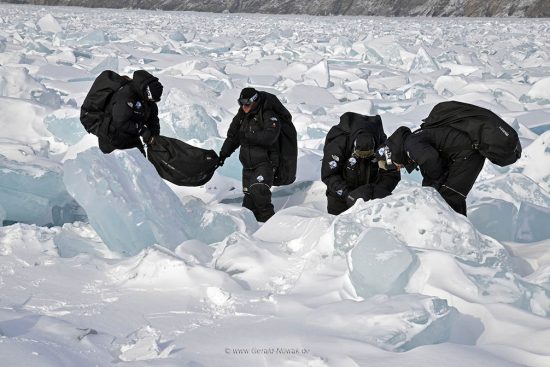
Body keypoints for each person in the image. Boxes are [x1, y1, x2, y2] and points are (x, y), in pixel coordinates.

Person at [385, 126, 485, 216]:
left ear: (396, 156)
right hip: (464, 154)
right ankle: (461, 228)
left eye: (396, 165)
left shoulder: (412, 145)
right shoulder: (414, 142)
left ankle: (457, 230)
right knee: (450, 195)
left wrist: (434, 189)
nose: (399, 168)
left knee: (448, 195)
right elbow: (429, 172)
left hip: (468, 154)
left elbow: (430, 162)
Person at [218, 87, 284, 222]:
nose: (244, 106)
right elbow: (233, 137)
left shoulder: (268, 114)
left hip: (265, 163)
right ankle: (252, 236)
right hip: (248, 166)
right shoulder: (241, 116)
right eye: (241, 103)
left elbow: (270, 136)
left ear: (254, 101)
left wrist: (248, 136)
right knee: (249, 203)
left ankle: (272, 228)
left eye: (247, 103)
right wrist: (222, 155)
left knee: (259, 191)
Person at [321, 112, 401, 215]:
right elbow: (329, 175)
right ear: (354, 147)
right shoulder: (338, 145)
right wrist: (348, 194)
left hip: (370, 200)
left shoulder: (382, 146)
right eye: (360, 154)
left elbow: (391, 173)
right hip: (340, 199)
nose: (363, 157)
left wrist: (376, 192)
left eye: (368, 155)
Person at [98, 70, 163, 155]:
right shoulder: (126, 96)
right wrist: (142, 130)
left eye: (154, 100)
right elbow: (120, 122)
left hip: (130, 135)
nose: (152, 101)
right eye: (151, 99)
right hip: (112, 138)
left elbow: (153, 119)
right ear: (147, 92)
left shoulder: (149, 100)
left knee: (143, 163)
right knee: (127, 165)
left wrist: (154, 137)